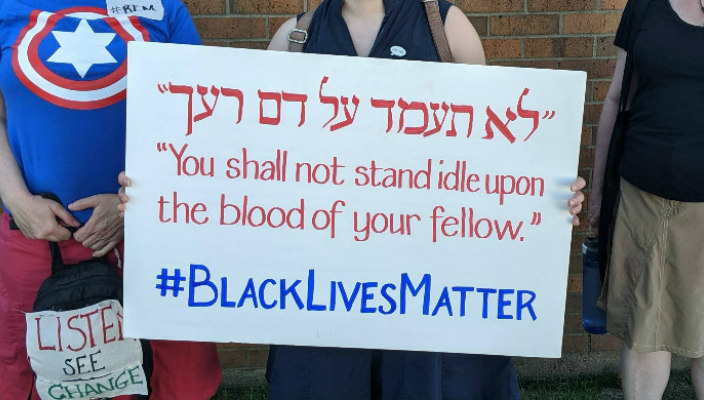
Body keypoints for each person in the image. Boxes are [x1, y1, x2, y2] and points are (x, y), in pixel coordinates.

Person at [261, 1, 586, 399]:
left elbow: (492, 151)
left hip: (427, 285)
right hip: (324, 285)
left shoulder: (446, 29)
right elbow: (261, 166)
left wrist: (539, 194)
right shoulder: (295, 39)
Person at [0, 0, 222, 398]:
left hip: (152, 235)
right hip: (35, 239)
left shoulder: (164, 8)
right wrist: (16, 200)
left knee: (172, 372)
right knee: (35, 372)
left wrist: (135, 201)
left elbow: (197, 113)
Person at [589, 0, 704, 399]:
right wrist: (598, 195)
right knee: (643, 331)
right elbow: (616, 98)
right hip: (643, 198)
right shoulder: (644, 7)